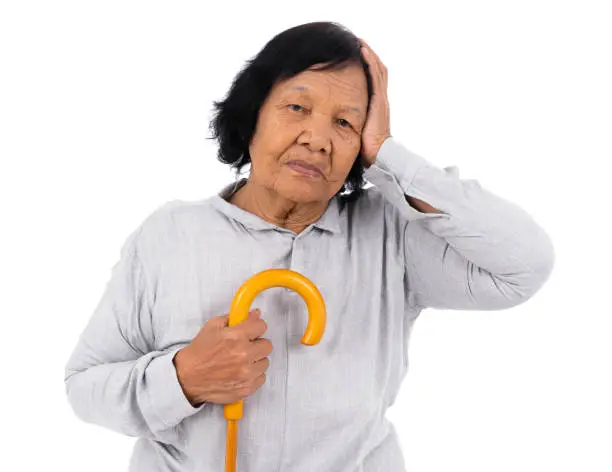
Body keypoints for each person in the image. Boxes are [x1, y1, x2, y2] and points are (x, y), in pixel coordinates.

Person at [64, 21, 555, 472]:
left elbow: (523, 264)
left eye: (346, 123)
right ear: (253, 113)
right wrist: (183, 379)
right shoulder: (169, 234)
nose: (318, 139)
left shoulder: (392, 234)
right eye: (297, 107)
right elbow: (85, 387)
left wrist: (388, 154)